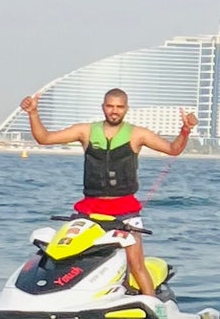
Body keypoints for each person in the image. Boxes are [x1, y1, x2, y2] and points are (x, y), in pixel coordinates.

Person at [19, 87, 195, 298]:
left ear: (126, 109)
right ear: (103, 107)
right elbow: (44, 138)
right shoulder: (85, 131)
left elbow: (172, 149)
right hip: (90, 209)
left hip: (125, 210)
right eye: (110, 106)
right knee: (69, 256)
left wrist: (185, 131)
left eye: (119, 107)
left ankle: (152, 305)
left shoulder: (137, 134)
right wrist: (33, 113)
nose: (114, 111)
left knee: (136, 263)